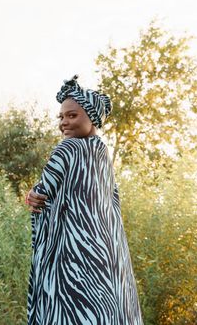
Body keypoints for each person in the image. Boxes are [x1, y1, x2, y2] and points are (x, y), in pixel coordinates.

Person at [25, 75, 144, 324]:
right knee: (105, 307)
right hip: (106, 249)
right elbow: (111, 197)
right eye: (61, 117)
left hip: (74, 252)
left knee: (71, 309)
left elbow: (43, 191)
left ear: (91, 116)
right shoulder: (102, 151)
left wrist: (33, 195)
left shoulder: (66, 149)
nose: (64, 123)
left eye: (72, 115)